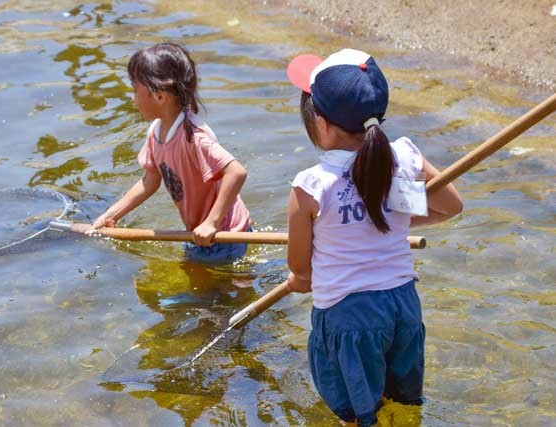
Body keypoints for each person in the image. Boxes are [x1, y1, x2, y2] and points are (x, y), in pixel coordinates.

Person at [283, 49, 463, 426]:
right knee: (403, 406)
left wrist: (297, 280)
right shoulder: (405, 155)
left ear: (320, 123)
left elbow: (301, 271)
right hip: (403, 308)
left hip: (350, 318)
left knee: (357, 417)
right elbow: (450, 206)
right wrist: (388, 220)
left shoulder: (311, 187)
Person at [83, 42, 252, 264]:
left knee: (198, 295)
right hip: (197, 234)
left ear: (160, 96)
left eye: (135, 90)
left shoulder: (194, 137)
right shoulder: (156, 131)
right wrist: (110, 215)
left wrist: (211, 222)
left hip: (226, 235)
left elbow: (236, 172)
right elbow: (149, 181)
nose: (133, 99)